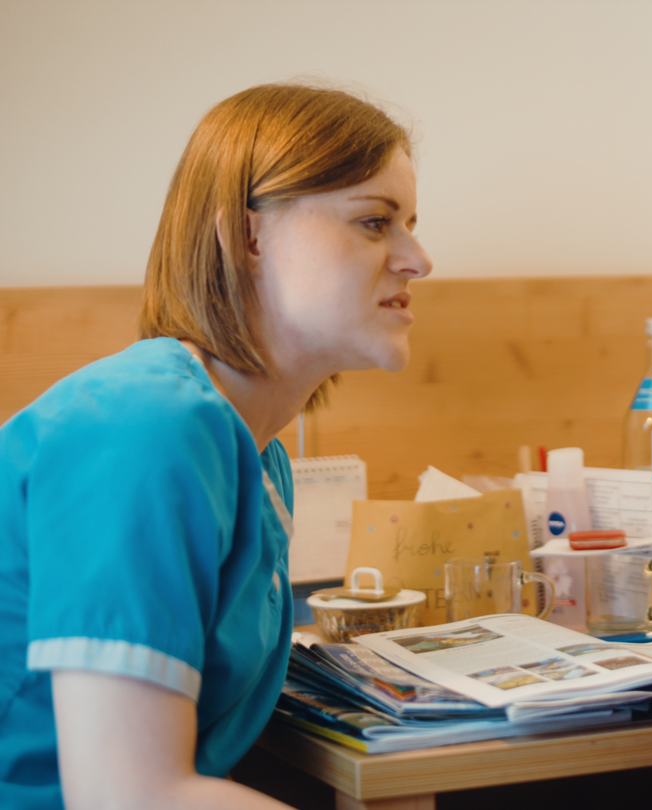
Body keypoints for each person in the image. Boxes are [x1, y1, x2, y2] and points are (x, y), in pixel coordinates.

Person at [0, 83, 432, 809]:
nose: (418, 259)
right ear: (248, 236)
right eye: (373, 222)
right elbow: (128, 795)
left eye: (411, 224)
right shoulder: (141, 428)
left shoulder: (256, 455)